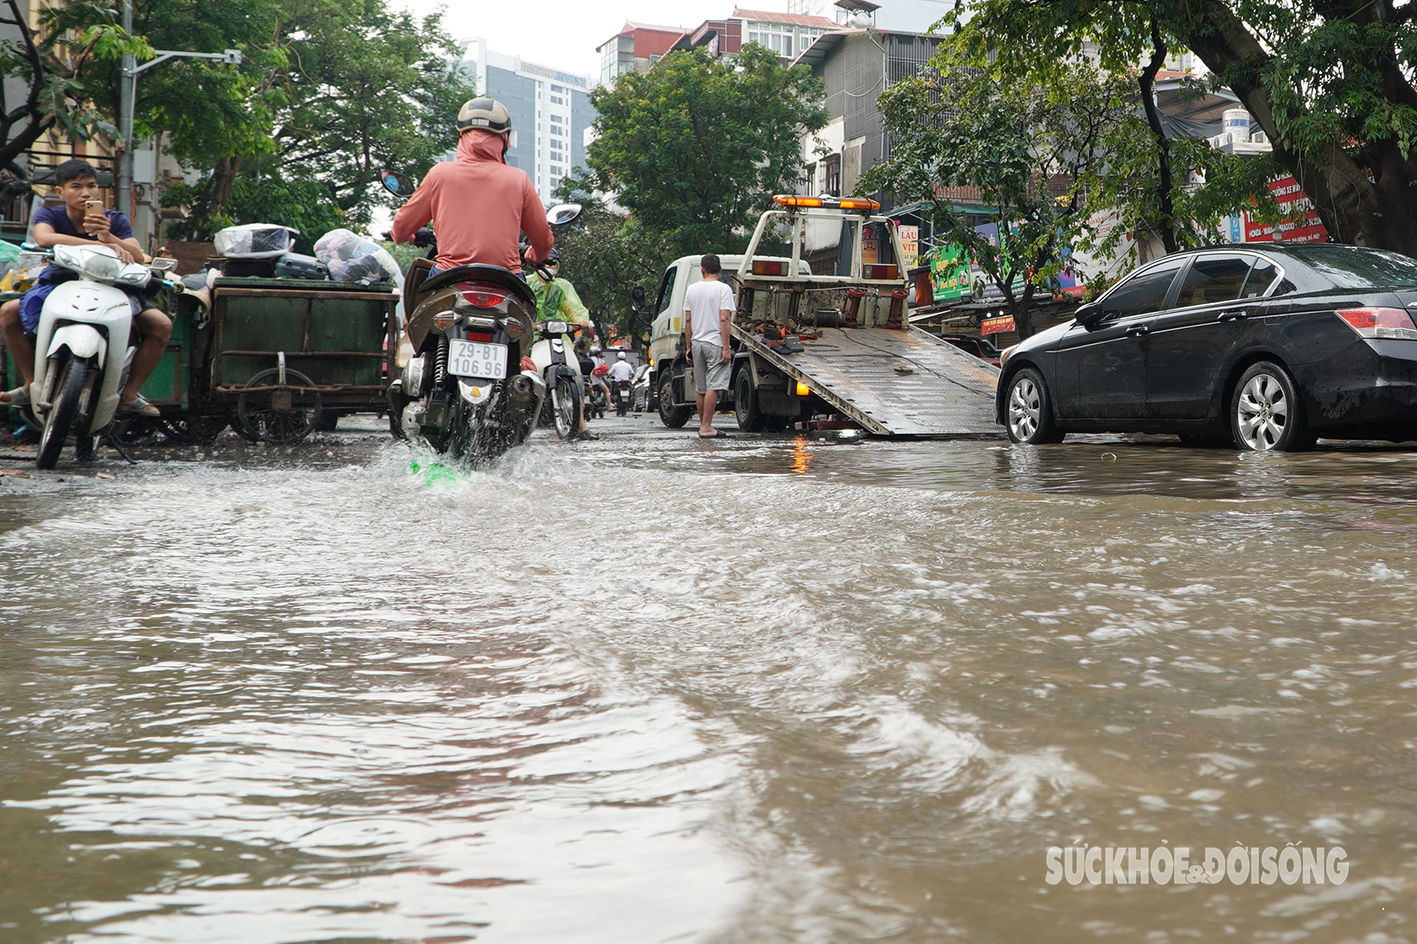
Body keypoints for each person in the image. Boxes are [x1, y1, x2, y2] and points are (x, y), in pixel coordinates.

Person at [0, 159, 170, 416]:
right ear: (61, 192)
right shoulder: (49, 213)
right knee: (8, 312)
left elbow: (136, 255)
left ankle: (129, 394)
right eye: (76, 186)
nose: (85, 193)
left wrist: (108, 237)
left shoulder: (114, 219)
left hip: (113, 287)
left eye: (91, 186)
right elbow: (44, 237)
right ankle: (30, 384)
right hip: (59, 283)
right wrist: (101, 246)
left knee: (162, 326)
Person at [390, 97, 552, 277]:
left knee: (419, 301)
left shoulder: (440, 174)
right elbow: (543, 239)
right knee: (528, 305)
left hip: (449, 275)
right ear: (504, 138)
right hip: (506, 279)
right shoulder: (519, 179)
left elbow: (402, 226)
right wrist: (535, 256)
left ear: (462, 135)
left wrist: (404, 235)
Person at [525, 246, 598, 440]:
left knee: (576, 376)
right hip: (530, 339)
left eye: (553, 263)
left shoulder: (562, 286)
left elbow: (574, 307)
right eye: (545, 262)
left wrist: (581, 320)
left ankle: (581, 426)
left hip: (558, 336)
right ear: (536, 264)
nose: (550, 266)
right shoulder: (526, 283)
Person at [682, 253, 735, 439]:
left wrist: (688, 346)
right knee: (713, 385)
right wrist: (726, 348)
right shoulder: (724, 289)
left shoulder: (691, 289)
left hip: (697, 342)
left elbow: (687, 320)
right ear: (720, 270)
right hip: (714, 342)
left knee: (701, 387)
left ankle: (702, 426)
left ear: (702, 270)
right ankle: (706, 427)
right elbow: (724, 318)